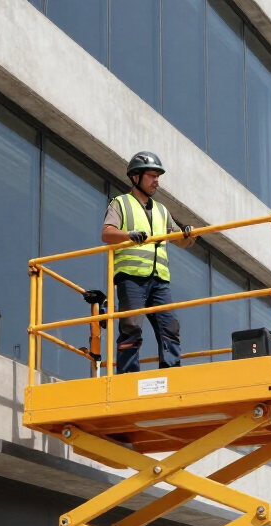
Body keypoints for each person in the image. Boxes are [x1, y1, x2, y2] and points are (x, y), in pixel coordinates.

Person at [101, 151, 196, 374]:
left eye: (157, 176)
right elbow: (107, 233)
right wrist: (129, 235)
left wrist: (189, 235)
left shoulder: (162, 210)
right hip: (131, 277)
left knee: (169, 326)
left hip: (159, 280)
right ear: (136, 177)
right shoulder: (121, 203)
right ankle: (128, 375)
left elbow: (180, 240)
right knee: (131, 326)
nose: (156, 181)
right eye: (152, 176)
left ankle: (170, 372)